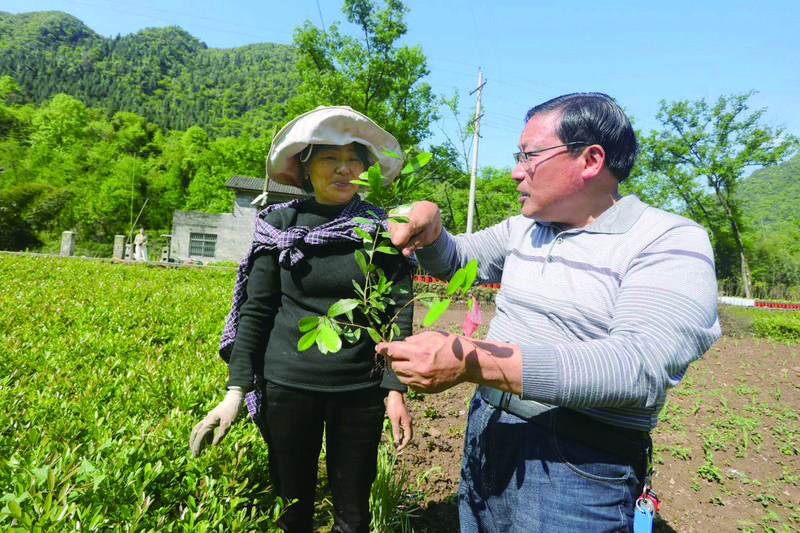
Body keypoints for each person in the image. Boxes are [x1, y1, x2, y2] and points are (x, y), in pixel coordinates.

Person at [377, 93, 721, 532]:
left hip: (577, 464)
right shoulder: (525, 228)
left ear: (591, 159)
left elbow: (638, 366)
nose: (516, 170)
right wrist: (432, 228)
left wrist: (474, 360)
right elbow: (459, 261)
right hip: (488, 428)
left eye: (529, 155)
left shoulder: (668, 239)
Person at [189, 106, 414, 533]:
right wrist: (235, 391)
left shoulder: (384, 228)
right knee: (293, 508)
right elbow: (256, 312)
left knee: (354, 512)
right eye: (331, 158)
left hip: (360, 390)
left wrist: (395, 390)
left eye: (355, 159)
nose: (345, 169)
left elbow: (397, 315)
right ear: (305, 167)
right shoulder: (279, 224)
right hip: (287, 387)